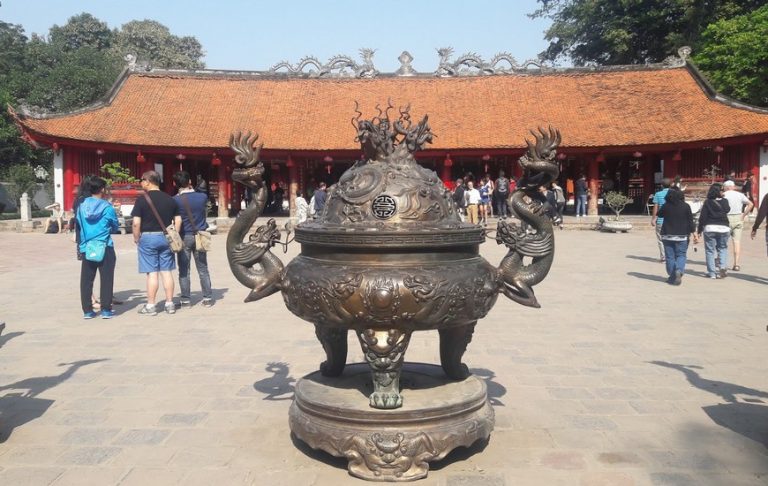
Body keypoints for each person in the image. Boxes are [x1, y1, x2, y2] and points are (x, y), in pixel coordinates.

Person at [131, 171, 182, 315]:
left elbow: (136, 223)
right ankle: (170, 303)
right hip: (166, 237)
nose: (141, 183)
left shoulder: (142, 200)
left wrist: (136, 238)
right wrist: (174, 235)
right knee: (166, 271)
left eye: (142, 180)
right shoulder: (170, 199)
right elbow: (178, 220)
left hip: (148, 237)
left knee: (152, 273)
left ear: (148, 181)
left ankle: (151, 305)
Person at [77, 177, 119, 319]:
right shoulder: (107, 207)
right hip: (105, 246)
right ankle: (106, 310)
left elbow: (79, 225)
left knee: (86, 280)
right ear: (102, 189)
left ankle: (87, 310)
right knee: (107, 278)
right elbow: (114, 226)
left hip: (87, 246)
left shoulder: (81, 207)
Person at [173, 171, 214, 308]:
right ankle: (207, 298)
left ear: (175, 184)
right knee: (203, 268)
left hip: (184, 236)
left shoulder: (175, 200)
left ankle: (185, 300)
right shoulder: (202, 197)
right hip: (200, 235)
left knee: (184, 269)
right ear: (190, 181)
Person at [657, 188, 696, 285]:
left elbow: (659, 214)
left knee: (670, 256)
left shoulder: (666, 206)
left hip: (667, 235)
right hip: (682, 235)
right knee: (681, 255)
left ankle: (672, 275)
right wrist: (694, 232)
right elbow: (691, 221)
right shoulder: (686, 206)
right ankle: (678, 270)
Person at [697, 183, 731, 279]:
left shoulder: (707, 202)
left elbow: (703, 217)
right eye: (722, 190)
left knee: (710, 250)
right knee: (722, 248)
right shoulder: (725, 201)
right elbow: (728, 210)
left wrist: (699, 229)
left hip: (710, 227)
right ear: (718, 191)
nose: (723, 192)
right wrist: (723, 199)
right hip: (724, 228)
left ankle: (711, 273)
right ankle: (723, 267)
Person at [721, 179, 753, 271]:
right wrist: (744, 214)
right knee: (737, 242)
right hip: (738, 217)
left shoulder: (723, 195)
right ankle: (736, 264)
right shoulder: (740, 195)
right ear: (733, 187)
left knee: (723, 242)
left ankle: (723, 262)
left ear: (725, 187)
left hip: (726, 219)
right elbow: (750, 204)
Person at [651, 178, 672, 262]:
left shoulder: (658, 194)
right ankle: (670, 256)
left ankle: (663, 257)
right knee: (670, 238)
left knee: (660, 239)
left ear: (662, 186)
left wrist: (653, 219)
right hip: (671, 221)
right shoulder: (674, 194)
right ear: (670, 185)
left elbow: (656, 207)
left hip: (660, 220)